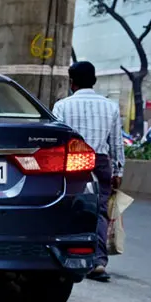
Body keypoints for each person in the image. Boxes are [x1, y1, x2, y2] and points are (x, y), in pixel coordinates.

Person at [51, 61, 124, 283]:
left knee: (69, 208)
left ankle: (67, 255)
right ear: (94, 81)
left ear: (72, 82)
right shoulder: (110, 106)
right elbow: (116, 144)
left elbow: (58, 139)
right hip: (100, 162)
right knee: (100, 211)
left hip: (72, 161)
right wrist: (118, 170)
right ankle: (99, 262)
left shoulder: (62, 106)